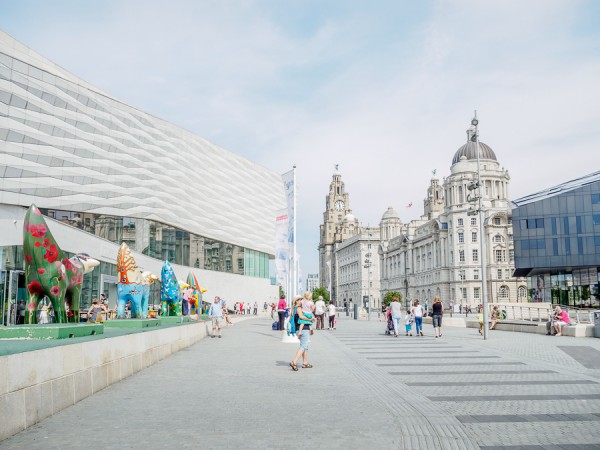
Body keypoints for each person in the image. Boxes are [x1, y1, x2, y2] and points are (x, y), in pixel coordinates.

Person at [289, 300, 314, 371]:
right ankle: (294, 361)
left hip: (298, 329)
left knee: (305, 346)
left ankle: (305, 363)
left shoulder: (294, 309)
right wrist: (310, 319)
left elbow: (291, 319)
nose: (302, 301)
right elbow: (302, 317)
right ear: (296, 301)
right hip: (303, 329)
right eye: (300, 299)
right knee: (303, 346)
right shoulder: (299, 308)